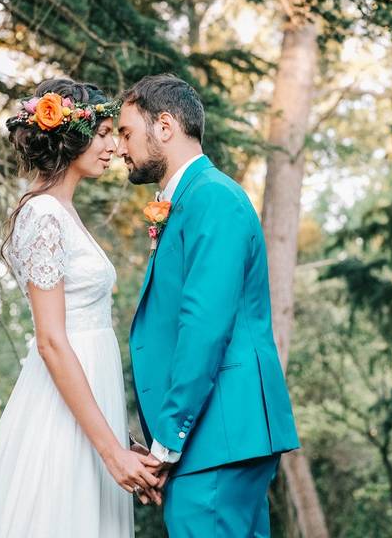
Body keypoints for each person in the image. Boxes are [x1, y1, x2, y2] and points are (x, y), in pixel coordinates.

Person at [0, 78, 158, 538]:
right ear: (72, 137)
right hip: (58, 409)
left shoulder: (64, 214)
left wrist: (119, 438)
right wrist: (111, 453)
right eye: (102, 134)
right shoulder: (42, 215)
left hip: (90, 399)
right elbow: (50, 339)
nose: (113, 147)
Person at [117, 74, 301, 537]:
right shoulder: (191, 199)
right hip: (215, 437)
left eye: (126, 132)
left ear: (164, 126)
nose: (121, 147)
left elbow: (204, 326)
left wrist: (167, 443)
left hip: (217, 434)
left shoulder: (213, 197)